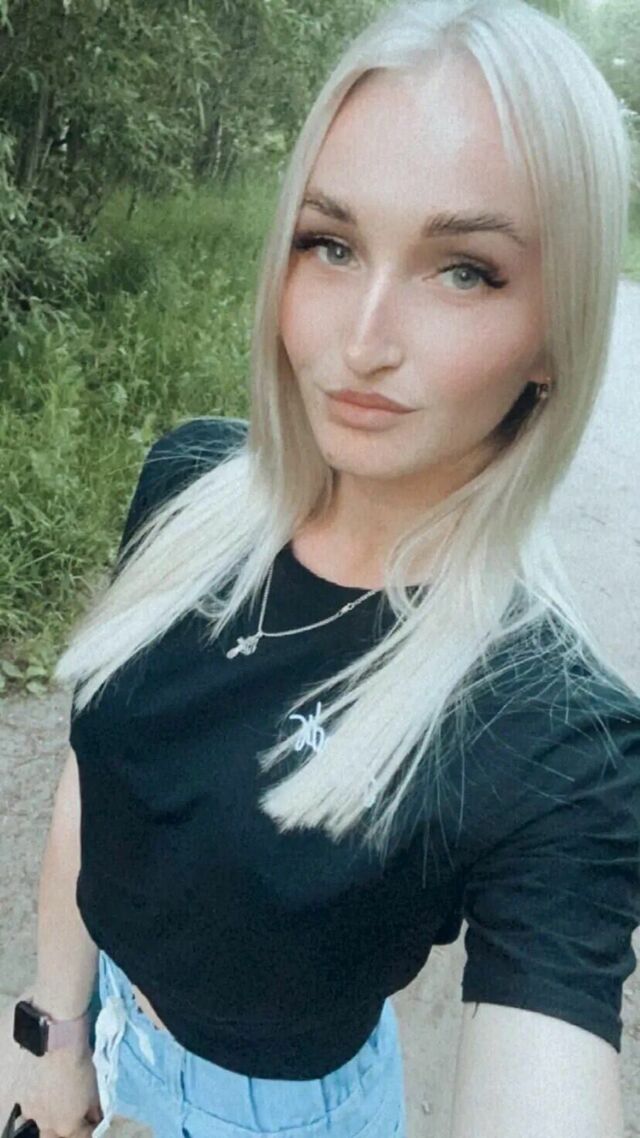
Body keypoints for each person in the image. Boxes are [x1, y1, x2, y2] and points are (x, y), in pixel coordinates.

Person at [3, 0, 640, 1135]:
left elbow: (546, 1063)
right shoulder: (189, 486)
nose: (363, 338)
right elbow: (103, 774)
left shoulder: (549, 734)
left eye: (465, 270)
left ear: (558, 329)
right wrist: (52, 1032)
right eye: (330, 244)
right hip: (105, 1028)